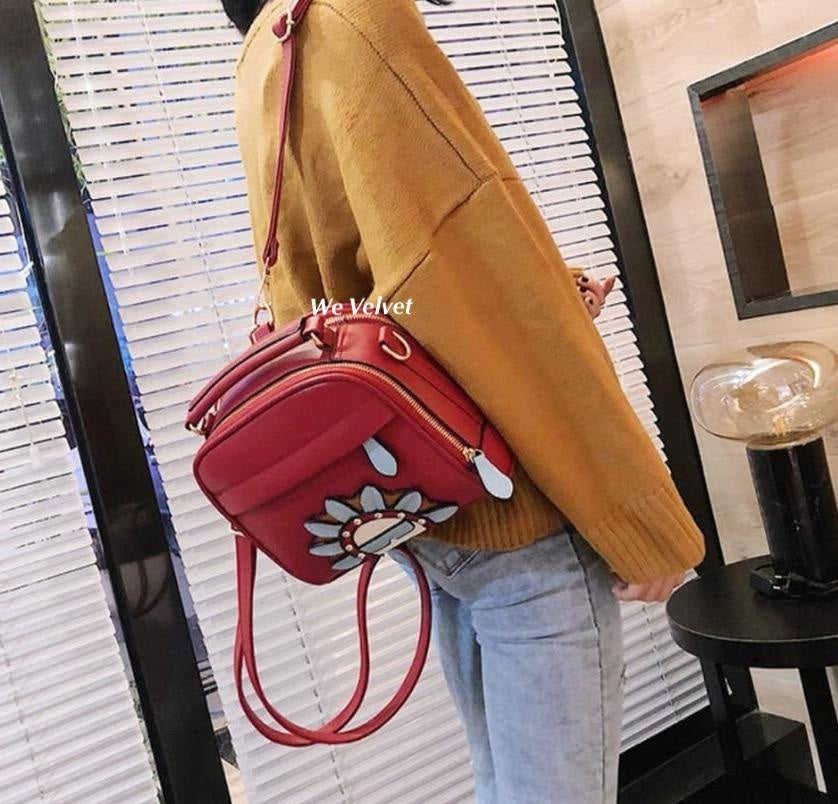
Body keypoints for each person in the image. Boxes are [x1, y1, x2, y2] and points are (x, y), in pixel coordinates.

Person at [224, 0, 707, 801]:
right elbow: (456, 268)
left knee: (504, 785)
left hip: (437, 516)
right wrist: (643, 524)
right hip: (519, 524)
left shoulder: (267, 49)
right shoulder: (356, 17)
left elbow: (358, 291)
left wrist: (543, 293)